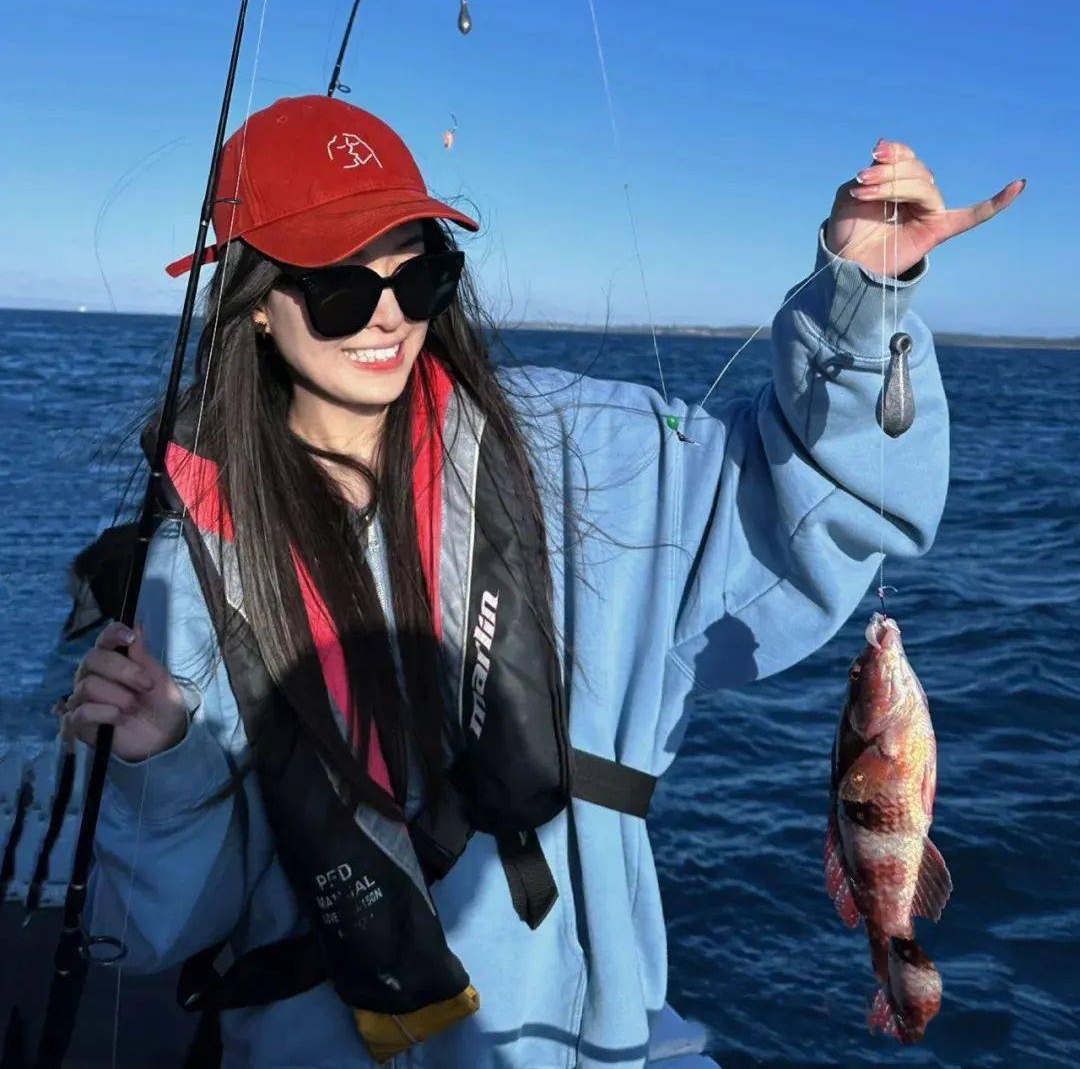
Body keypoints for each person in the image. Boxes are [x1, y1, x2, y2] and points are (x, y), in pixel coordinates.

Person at [65, 94, 1022, 1069]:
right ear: (258, 306)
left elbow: (835, 502)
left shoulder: (574, 452)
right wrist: (162, 767)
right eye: (340, 289)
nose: (388, 315)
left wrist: (861, 299)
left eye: (419, 274)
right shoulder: (185, 578)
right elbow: (147, 932)